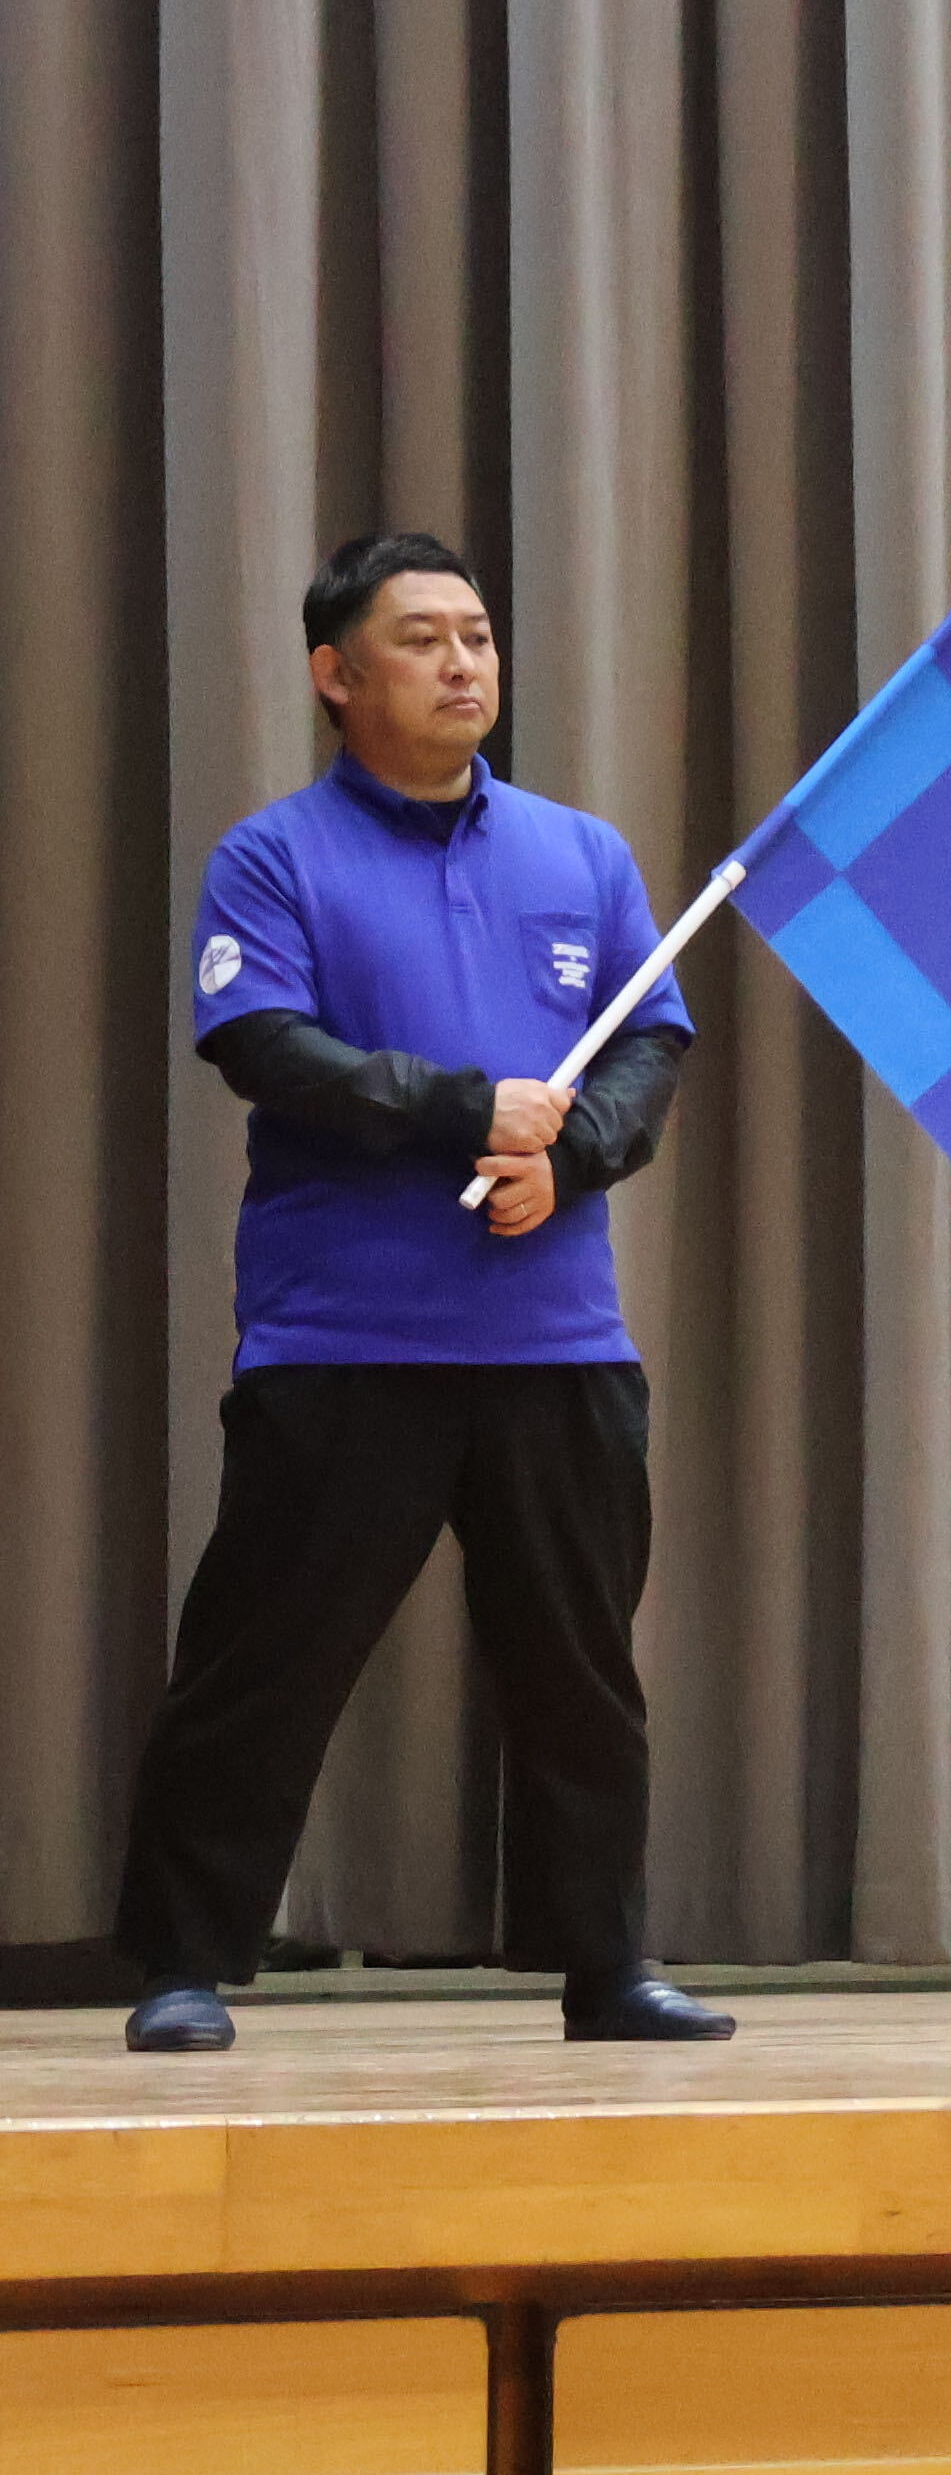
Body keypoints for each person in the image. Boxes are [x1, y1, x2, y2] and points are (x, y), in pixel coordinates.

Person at [116, 536, 727, 2054]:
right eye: (421, 639)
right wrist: (468, 1110)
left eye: (478, 635)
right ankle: (186, 1964)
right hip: (343, 1336)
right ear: (336, 675)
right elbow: (264, 1046)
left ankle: (606, 1967)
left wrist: (569, 1157)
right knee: (259, 1666)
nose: (463, 663)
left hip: (558, 1341)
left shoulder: (583, 854)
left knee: (582, 1677)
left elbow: (650, 1041)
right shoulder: (272, 857)